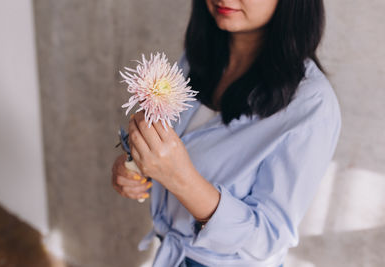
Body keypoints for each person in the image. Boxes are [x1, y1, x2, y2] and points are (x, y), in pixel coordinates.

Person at [111, 0, 341, 266]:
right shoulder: (196, 59)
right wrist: (136, 165)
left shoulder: (312, 105)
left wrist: (179, 178)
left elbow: (268, 238)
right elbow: (176, 150)